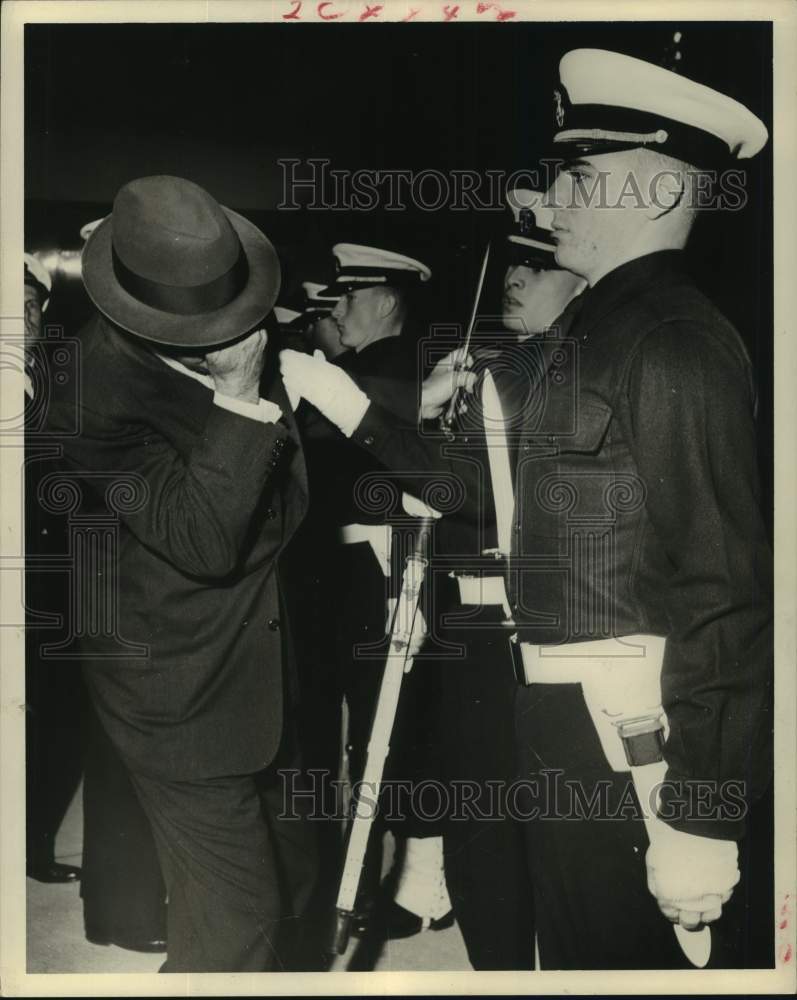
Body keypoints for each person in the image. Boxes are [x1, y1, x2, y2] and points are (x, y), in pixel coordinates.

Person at [280, 47, 773, 969]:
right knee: (573, 954)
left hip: (627, 719)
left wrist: (700, 813)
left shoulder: (670, 341)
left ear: (656, 196)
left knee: (637, 960)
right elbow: (476, 497)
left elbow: (726, 588)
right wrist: (360, 409)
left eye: (578, 176)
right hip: (548, 700)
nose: (550, 201)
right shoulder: (582, 333)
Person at [45, 175, 317, 972]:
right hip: (179, 692)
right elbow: (201, 541)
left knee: (289, 890)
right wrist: (238, 395)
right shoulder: (91, 395)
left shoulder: (214, 335)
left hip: (258, 664)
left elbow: (279, 493)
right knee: (236, 923)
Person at [295, 243, 453, 939]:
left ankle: (421, 885)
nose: (333, 309)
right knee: (358, 728)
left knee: (391, 727)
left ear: (386, 298)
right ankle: (355, 876)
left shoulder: (407, 367)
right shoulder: (365, 369)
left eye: (346, 296)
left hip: (388, 566)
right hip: (340, 569)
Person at [23, 253, 85, 885]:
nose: (24, 316)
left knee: (61, 713)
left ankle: (33, 843)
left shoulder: (57, 379)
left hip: (55, 582)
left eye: (32, 304)